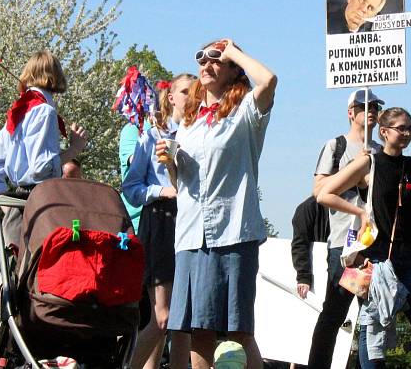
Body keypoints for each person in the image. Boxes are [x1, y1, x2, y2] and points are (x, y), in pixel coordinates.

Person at [158, 38, 277, 369]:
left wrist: (233, 51)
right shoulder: (188, 124)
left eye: (216, 60)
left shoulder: (245, 114)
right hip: (192, 235)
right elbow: (181, 184)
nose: (206, 65)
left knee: (238, 333)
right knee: (199, 329)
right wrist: (170, 162)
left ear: (232, 70)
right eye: (202, 59)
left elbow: (268, 80)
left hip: (233, 232)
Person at [0, 50, 88, 369]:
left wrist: (5, 199)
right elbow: (42, 168)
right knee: (38, 283)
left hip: (17, 206)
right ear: (54, 78)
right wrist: (73, 151)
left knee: (10, 285)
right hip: (39, 205)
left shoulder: (20, 110)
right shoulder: (41, 112)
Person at [317, 107, 411, 369]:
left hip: (409, 257)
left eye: (410, 128)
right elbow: (325, 194)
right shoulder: (368, 163)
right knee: (373, 328)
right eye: (401, 128)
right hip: (374, 257)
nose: (407, 133)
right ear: (384, 132)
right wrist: (360, 211)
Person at [307, 87, 384, 369]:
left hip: (376, 244)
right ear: (351, 113)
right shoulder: (336, 146)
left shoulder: (382, 150)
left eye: (376, 107)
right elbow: (319, 190)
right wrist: (356, 169)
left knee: (373, 313)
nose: (372, 111)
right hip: (346, 244)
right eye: (365, 107)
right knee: (336, 312)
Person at [123, 73, 196, 369]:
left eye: (196, 92)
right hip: (161, 220)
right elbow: (131, 187)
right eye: (185, 91)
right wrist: (161, 190)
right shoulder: (153, 134)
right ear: (171, 97)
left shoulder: (198, 133)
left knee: (184, 323)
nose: (192, 97)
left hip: (190, 223)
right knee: (163, 316)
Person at [291, 195, 330, 300]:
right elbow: (300, 244)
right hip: (320, 275)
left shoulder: (352, 204)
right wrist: (303, 277)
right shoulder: (308, 208)